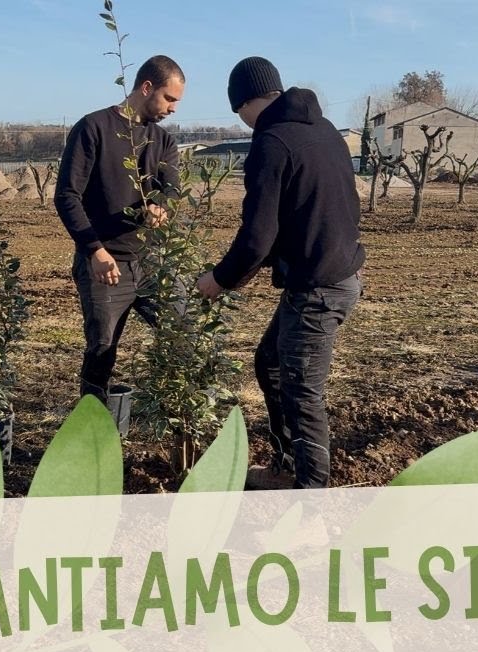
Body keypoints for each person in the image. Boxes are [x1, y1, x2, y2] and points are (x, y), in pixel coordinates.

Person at [196, 57, 365, 490]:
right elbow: (308, 211)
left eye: (239, 112)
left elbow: (257, 235)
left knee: (303, 392)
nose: (244, 121)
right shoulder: (324, 131)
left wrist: (220, 279)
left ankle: (311, 503)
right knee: (269, 363)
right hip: (336, 273)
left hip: (319, 288)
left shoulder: (272, 142)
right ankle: (286, 464)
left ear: (245, 102)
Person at [54, 55, 185, 405]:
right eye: (169, 99)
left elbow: (172, 187)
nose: (173, 109)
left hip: (151, 262)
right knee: (102, 351)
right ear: (146, 88)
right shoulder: (93, 128)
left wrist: (163, 206)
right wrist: (94, 250)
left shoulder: (162, 141)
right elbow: (67, 195)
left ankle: (181, 417)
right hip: (105, 265)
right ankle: (91, 430)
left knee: (186, 331)